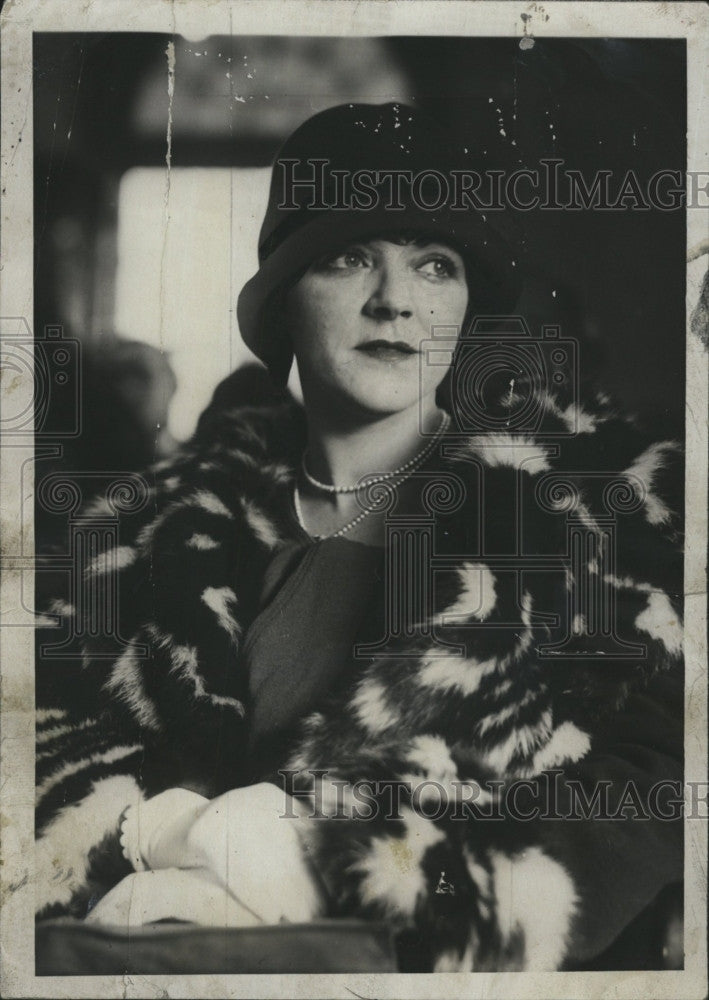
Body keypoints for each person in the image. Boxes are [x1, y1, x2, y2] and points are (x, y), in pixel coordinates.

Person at [35, 103, 684, 972]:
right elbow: (34, 741)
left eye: (434, 265)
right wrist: (142, 828)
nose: (396, 301)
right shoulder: (145, 534)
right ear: (281, 301)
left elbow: (655, 787)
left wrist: (337, 870)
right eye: (347, 258)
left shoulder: (588, 524)